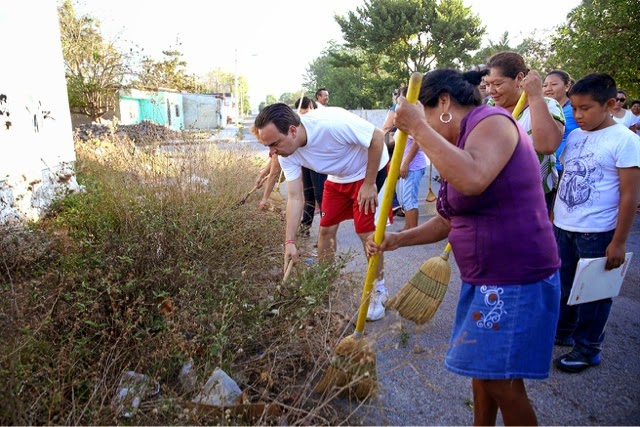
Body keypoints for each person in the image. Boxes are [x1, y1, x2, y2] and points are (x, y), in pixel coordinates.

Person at [366, 68, 561, 426]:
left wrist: (418, 130)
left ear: (443, 103)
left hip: (515, 277)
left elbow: (472, 179)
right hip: (485, 277)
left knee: (501, 382)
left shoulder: (493, 122)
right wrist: (396, 240)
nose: (420, 125)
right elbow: (447, 219)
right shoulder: (460, 142)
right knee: (483, 371)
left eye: (423, 115)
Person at [254, 102, 390, 321]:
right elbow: (296, 197)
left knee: (366, 233)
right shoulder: (285, 154)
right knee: (325, 231)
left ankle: (378, 290)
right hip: (337, 178)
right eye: (268, 146)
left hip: (367, 172)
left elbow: (377, 136)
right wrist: (289, 242)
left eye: (274, 144)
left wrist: (369, 183)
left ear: (292, 130)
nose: (272, 152)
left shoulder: (331, 123)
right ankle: (325, 282)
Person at [552, 73, 640, 372]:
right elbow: (566, 175)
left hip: (598, 233)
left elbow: (629, 196)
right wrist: (555, 215)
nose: (578, 115)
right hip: (564, 227)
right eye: (574, 108)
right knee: (563, 287)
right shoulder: (575, 135)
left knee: (593, 295)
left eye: (586, 108)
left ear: (610, 104)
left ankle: (588, 349)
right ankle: (563, 333)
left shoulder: (625, 141)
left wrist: (618, 240)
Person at [485, 51, 565, 213]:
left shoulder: (547, 105)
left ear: (520, 79)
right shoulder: (488, 108)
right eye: (488, 84)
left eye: (498, 84)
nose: (491, 90)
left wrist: (535, 95)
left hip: (534, 199)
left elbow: (548, 145)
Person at [293, 97, 328, 237]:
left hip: (319, 164)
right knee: (308, 194)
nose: (304, 114)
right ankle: (305, 226)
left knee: (321, 196)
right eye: (302, 111)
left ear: (312, 108)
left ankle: (325, 230)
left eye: (306, 110)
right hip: (306, 163)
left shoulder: (320, 119)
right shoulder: (299, 121)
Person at [394, 86, 427, 230]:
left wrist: (406, 163)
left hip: (413, 166)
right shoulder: (405, 116)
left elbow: (416, 142)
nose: (398, 99)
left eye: (400, 96)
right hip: (406, 165)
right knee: (404, 199)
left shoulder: (413, 117)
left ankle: (412, 230)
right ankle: (408, 227)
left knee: (409, 199)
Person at [543, 70, 579, 180]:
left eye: (553, 84)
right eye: (544, 85)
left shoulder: (575, 109)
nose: (548, 89)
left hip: (568, 169)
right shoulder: (547, 109)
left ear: (567, 86)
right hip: (549, 169)